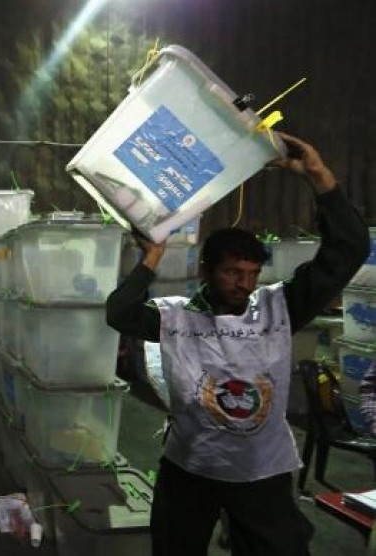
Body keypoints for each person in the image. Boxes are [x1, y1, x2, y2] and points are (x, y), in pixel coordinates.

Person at [106, 131, 370, 556]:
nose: (243, 283)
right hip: (190, 468)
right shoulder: (176, 316)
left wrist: (319, 177)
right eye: (232, 272)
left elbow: (350, 248)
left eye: (250, 273)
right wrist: (151, 258)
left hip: (260, 472)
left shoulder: (279, 307)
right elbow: (119, 312)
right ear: (207, 270)